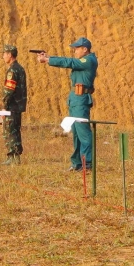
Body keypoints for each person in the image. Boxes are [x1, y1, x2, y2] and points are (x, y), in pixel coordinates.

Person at [38, 37, 98, 171]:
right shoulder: (84, 60)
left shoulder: (89, 60)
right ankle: (77, 163)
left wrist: (48, 60)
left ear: (85, 49)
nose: (75, 51)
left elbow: (69, 62)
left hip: (81, 99)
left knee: (83, 132)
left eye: (77, 48)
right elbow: (70, 61)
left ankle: (87, 163)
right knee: (76, 132)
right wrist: (49, 57)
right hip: (76, 98)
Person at [0, 44, 27, 165]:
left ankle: (12, 157)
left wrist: (4, 105)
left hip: (12, 106)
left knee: (9, 131)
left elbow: (9, 89)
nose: (3, 56)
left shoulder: (12, 70)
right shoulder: (20, 68)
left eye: (4, 54)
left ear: (10, 55)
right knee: (15, 130)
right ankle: (16, 157)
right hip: (18, 105)